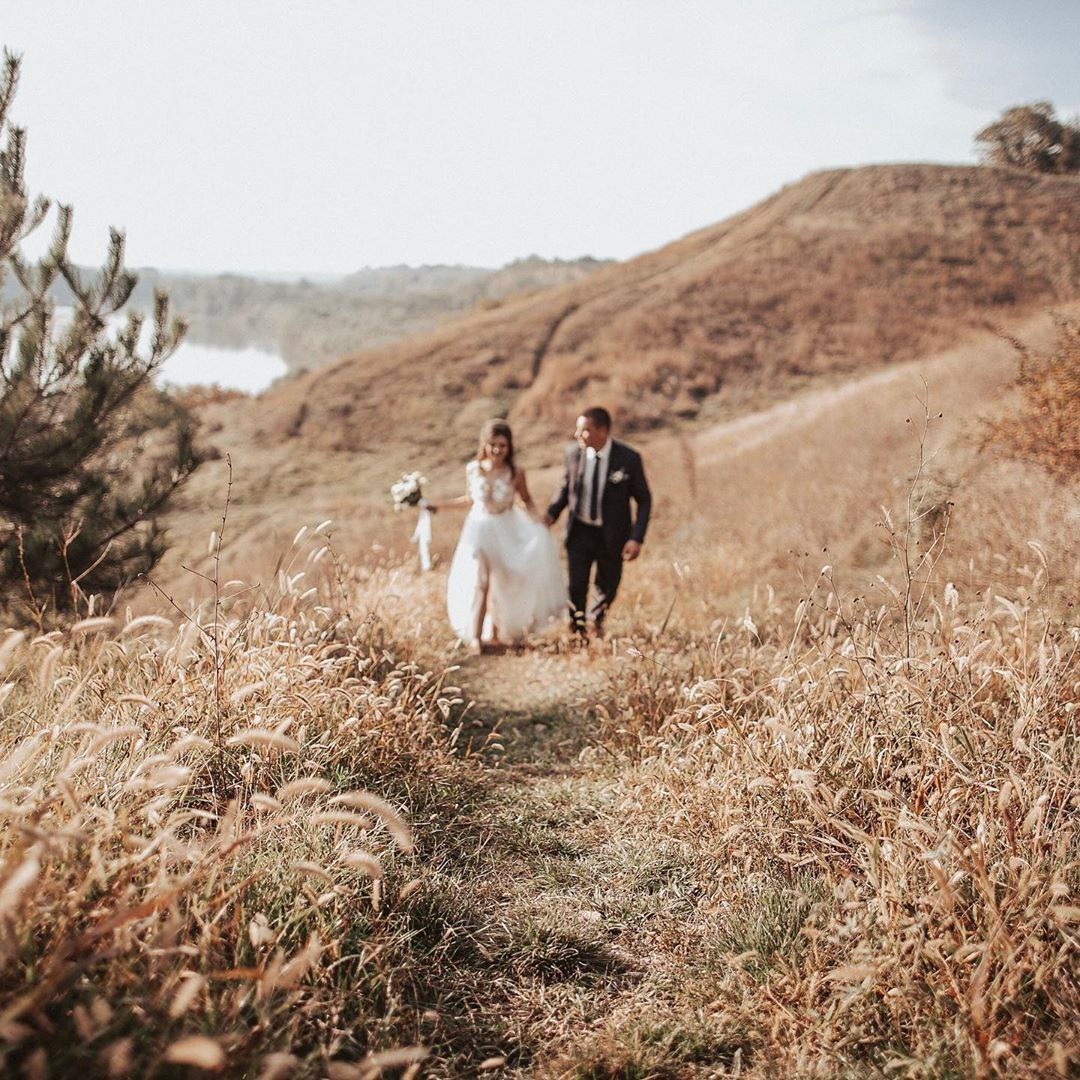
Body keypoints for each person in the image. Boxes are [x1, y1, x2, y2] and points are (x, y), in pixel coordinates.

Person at [428, 419, 564, 655]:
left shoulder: (516, 472)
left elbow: (526, 499)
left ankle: (500, 632)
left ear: (509, 446)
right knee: (482, 581)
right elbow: (469, 500)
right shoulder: (473, 469)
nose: (497, 450)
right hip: (479, 530)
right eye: (493, 445)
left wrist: (538, 521)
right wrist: (439, 506)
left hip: (507, 530)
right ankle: (476, 637)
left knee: (507, 580)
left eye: (502, 445)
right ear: (485, 444)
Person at [544, 406, 651, 638]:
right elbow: (565, 489)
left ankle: (597, 620)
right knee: (576, 586)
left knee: (607, 585)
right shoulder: (573, 453)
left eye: (584, 430)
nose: (577, 435)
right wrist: (550, 514)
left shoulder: (629, 458)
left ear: (603, 431)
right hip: (580, 531)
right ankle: (577, 631)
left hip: (612, 534)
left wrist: (636, 538)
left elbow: (644, 500)